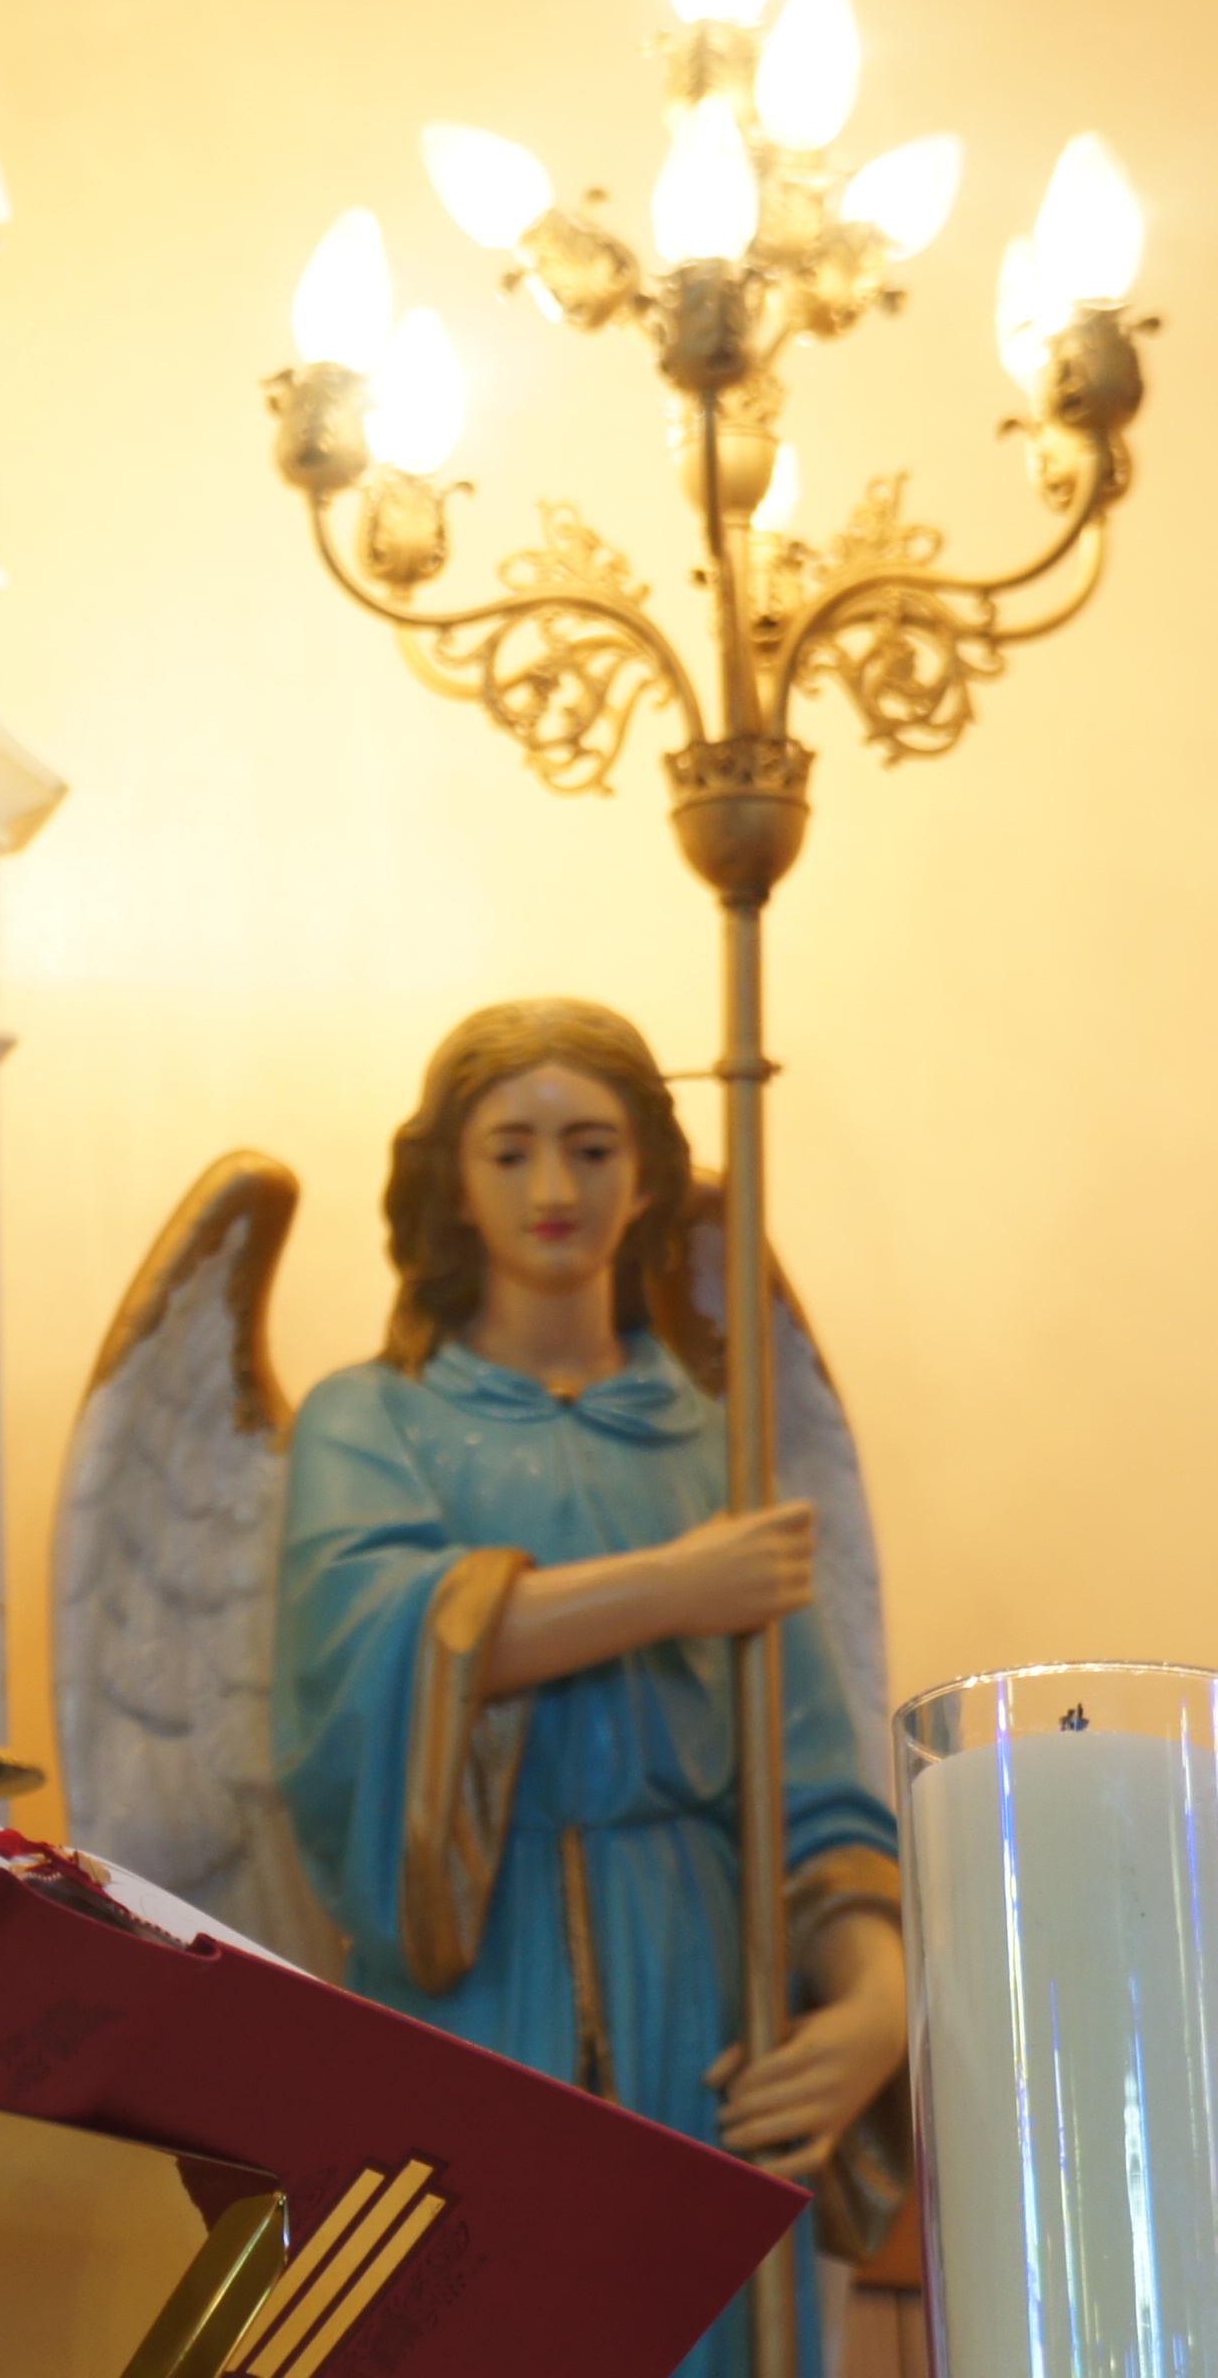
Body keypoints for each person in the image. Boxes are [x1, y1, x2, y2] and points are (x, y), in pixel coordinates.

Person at [275, 1001, 902, 2378]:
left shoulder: (719, 1445)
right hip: (472, 1983)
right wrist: (674, 1585)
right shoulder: (371, 1421)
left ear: (649, 1175)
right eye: (509, 1150)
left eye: (592, 1147)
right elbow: (361, 1670)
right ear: (449, 1178)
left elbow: (813, 1796)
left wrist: (874, 2002)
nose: (552, 1187)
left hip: (695, 1984)